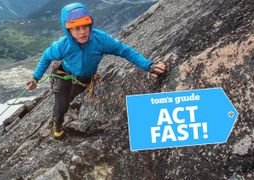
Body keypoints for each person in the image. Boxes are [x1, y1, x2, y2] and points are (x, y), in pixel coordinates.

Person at [26, 2, 166, 138]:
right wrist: (35, 78)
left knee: (70, 98)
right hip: (65, 75)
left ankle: (63, 111)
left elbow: (125, 51)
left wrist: (148, 65)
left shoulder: (101, 40)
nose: (82, 32)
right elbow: (46, 57)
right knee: (61, 103)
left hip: (84, 79)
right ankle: (57, 123)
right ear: (68, 30)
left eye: (85, 26)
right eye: (76, 28)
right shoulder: (62, 46)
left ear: (90, 24)